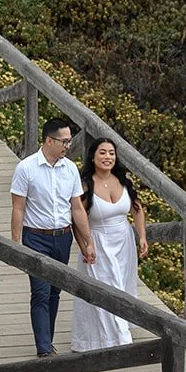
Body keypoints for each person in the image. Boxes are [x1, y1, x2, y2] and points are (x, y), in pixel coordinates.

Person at [10, 117, 95, 357]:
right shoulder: (26, 168)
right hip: (36, 237)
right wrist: (15, 243)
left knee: (55, 291)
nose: (68, 145)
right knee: (40, 292)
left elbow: (77, 207)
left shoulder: (69, 169)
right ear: (49, 140)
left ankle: (48, 339)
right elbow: (18, 207)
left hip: (63, 237)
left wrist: (88, 241)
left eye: (69, 141)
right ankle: (44, 349)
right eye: (65, 141)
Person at [71, 137, 148, 352]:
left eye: (111, 153)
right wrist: (85, 245)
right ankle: (120, 340)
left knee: (123, 286)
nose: (107, 157)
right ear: (93, 157)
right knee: (107, 287)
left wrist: (141, 236)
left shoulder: (123, 180)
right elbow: (77, 219)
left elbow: (137, 209)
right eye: (102, 153)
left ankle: (119, 328)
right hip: (98, 242)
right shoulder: (86, 185)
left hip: (124, 241)